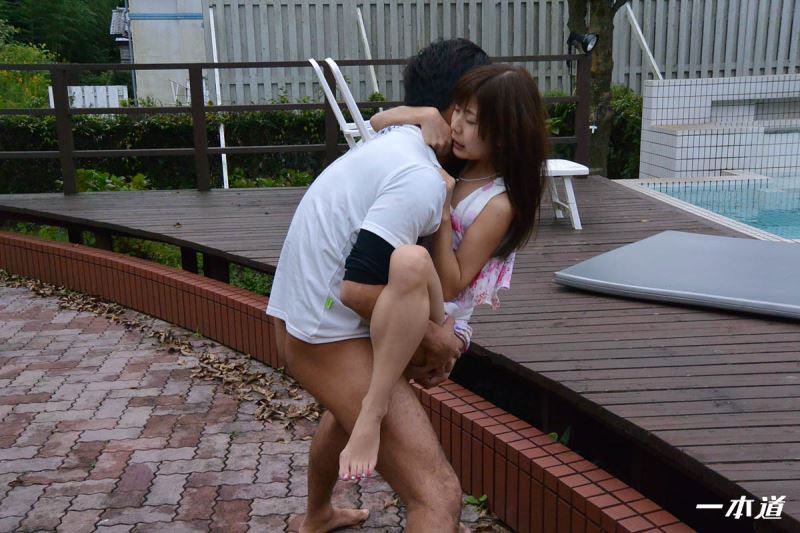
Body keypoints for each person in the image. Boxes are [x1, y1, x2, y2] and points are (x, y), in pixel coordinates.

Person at [267, 38, 490, 533]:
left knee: (349, 408)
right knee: (437, 495)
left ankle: (318, 515)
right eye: (478, 111)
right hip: (324, 334)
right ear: (455, 111)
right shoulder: (420, 177)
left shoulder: (399, 139)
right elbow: (358, 291)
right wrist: (436, 339)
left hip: (297, 315)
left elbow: (378, 120)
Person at [338, 64, 550, 482]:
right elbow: (376, 124)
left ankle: (373, 412)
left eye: (471, 121)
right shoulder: (453, 158)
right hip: (409, 293)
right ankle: (318, 507)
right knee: (338, 411)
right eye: (457, 112)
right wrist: (422, 114)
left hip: (446, 313)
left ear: (505, 135)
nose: (456, 126)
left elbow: (453, 283)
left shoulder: (498, 203)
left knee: (408, 260)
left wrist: (444, 208)